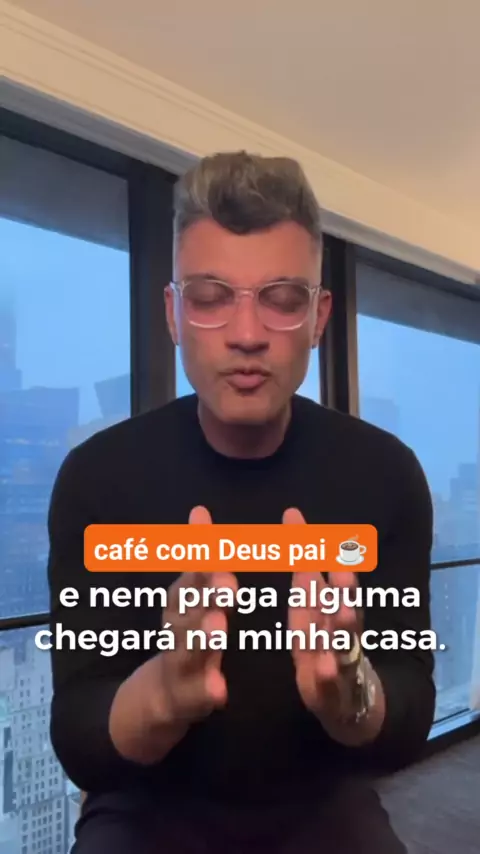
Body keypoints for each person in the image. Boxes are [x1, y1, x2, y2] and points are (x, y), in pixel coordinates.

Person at [47, 151, 435, 853]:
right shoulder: (97, 479)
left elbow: (409, 703)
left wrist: (349, 694)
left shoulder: (386, 476)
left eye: (281, 299)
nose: (248, 333)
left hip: (321, 798)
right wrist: (164, 694)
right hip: (146, 805)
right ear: (174, 314)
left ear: (318, 317)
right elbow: (79, 732)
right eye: (210, 296)